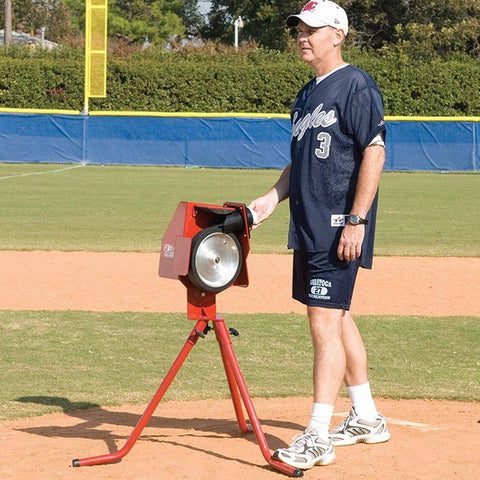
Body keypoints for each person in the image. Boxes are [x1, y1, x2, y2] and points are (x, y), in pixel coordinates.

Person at [248, 0, 390, 471]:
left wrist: (357, 219)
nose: (302, 37)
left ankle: (317, 435)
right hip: (309, 226)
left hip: (338, 227)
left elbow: (374, 151)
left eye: (311, 29)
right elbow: (302, 161)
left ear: (338, 34)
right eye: (298, 30)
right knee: (338, 316)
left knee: (323, 323)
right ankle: (366, 417)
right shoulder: (306, 95)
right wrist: (270, 199)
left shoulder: (356, 85)